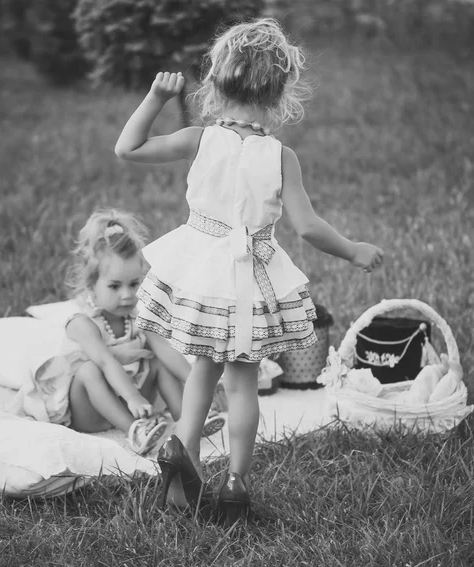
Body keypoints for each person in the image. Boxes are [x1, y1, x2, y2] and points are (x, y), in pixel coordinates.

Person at [114, 18, 384, 520]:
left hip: (201, 272)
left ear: (215, 82)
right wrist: (352, 250)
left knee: (202, 368)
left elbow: (127, 148)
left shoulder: (198, 138)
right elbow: (306, 227)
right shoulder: (281, 157)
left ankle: (183, 448)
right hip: (249, 280)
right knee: (242, 381)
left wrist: (154, 98)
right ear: (282, 91)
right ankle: (236, 482)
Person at [21, 208, 225, 456]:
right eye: (115, 286)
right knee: (88, 370)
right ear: (91, 286)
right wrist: (132, 397)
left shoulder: (138, 318)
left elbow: (166, 350)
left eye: (133, 284)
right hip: (91, 412)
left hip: (133, 402)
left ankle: (190, 417)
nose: (127, 294)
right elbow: (106, 362)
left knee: (158, 361)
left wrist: (201, 384)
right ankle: (135, 432)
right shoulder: (82, 324)